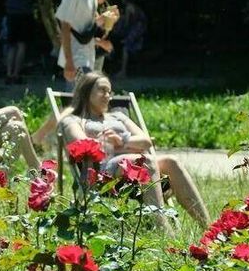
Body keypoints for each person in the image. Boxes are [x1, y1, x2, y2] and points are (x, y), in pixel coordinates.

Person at [58, 72, 210, 232]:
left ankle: (208, 228)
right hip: (102, 172)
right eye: (102, 90)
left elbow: (145, 141)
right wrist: (117, 144)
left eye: (109, 91)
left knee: (171, 161)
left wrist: (120, 141)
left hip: (133, 164)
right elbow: (84, 145)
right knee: (146, 161)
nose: (107, 95)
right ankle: (163, 229)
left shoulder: (118, 116)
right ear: (86, 91)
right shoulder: (73, 120)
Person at [56, 0, 120, 90]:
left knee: (82, 105)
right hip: (76, 60)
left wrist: (107, 22)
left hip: (88, 58)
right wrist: (69, 62)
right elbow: (65, 28)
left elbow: (88, 27)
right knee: (77, 105)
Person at [4, 0, 35, 85]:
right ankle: (16, 73)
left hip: (11, 10)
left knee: (11, 44)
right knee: (22, 44)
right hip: (24, 10)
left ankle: (8, 73)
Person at [112, 0, 146, 79]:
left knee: (125, 49)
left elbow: (127, 24)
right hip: (138, 32)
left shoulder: (128, 8)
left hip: (135, 32)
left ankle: (123, 71)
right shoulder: (136, 7)